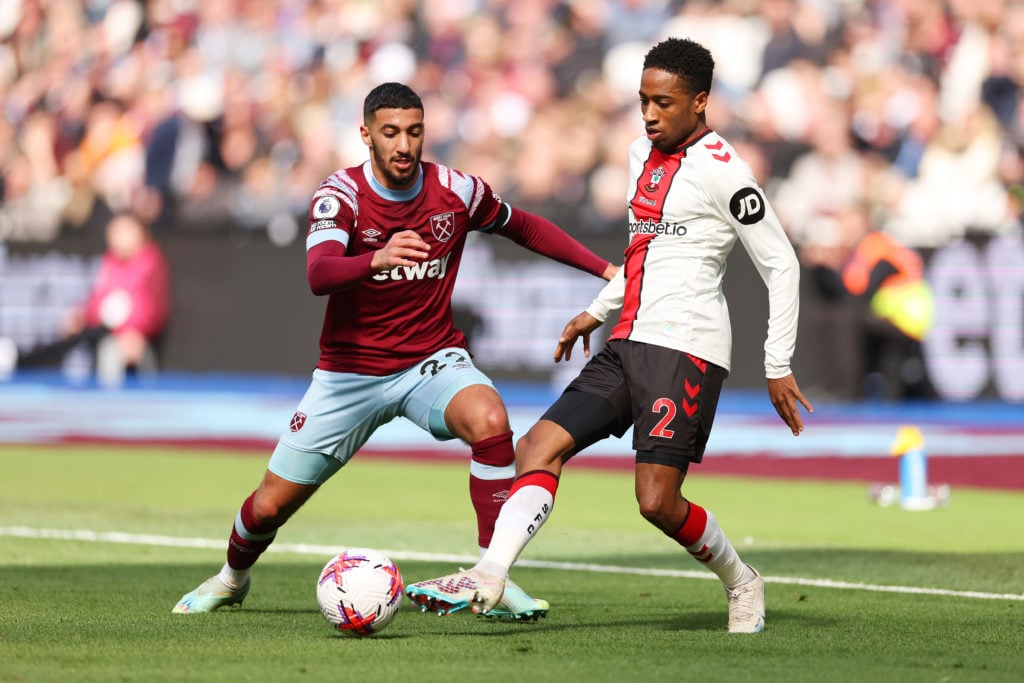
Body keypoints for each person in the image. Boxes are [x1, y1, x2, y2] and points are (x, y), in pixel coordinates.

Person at [405, 38, 813, 634]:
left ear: (700, 103)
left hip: (686, 350)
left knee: (657, 503)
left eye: (664, 103)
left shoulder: (725, 172)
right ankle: (490, 573)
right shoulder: (637, 156)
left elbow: (781, 263)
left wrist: (777, 362)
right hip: (626, 342)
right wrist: (597, 310)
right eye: (643, 100)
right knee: (537, 447)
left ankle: (741, 579)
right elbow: (644, 252)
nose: (649, 114)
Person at [172, 83, 617, 620]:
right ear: (366, 135)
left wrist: (605, 271)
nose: (404, 145)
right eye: (390, 133)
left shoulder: (455, 190)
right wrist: (375, 258)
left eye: (414, 132)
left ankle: (491, 575)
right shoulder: (342, 195)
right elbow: (319, 274)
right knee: (268, 505)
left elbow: (522, 226)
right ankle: (231, 579)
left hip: (430, 361)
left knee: (491, 418)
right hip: (348, 375)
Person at [0, 213, 170, 387]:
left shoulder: (148, 263)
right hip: (104, 328)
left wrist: (132, 331)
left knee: (105, 349)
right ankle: (21, 360)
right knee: (70, 338)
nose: (117, 236)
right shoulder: (111, 261)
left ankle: (19, 360)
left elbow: (149, 308)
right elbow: (99, 298)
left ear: (141, 233)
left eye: (124, 230)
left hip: (128, 334)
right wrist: (82, 315)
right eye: (114, 231)